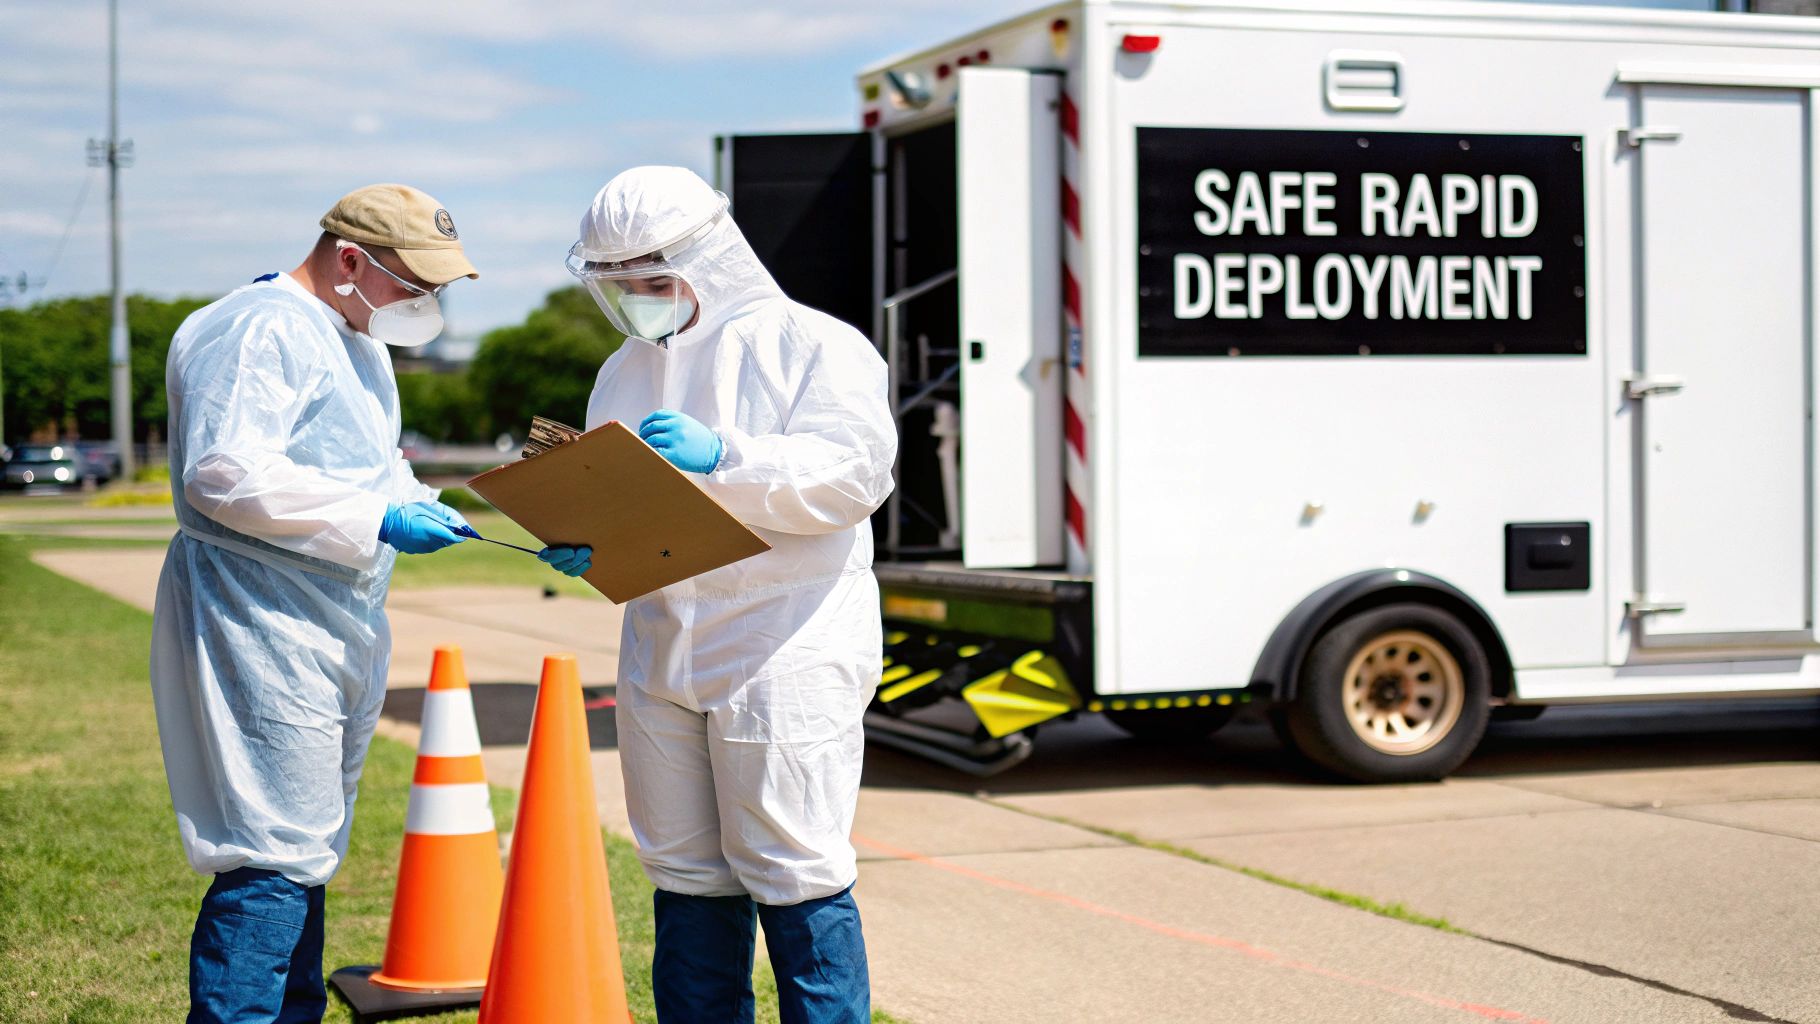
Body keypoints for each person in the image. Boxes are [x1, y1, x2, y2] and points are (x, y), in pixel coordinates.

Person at [545, 165, 896, 1023]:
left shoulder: (813, 344)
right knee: (686, 873)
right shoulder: (621, 372)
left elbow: (855, 477)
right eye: (619, 284)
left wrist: (727, 456)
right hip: (663, 643)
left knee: (795, 868)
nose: (638, 299)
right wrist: (586, 537)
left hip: (784, 644)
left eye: (654, 281)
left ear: (714, 259)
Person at [150, 184, 489, 1023]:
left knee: (305, 850)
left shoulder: (355, 339)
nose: (427, 305)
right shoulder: (257, 326)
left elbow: (370, 467)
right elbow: (223, 471)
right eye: (417, 284)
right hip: (259, 615)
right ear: (350, 261)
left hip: (331, 616)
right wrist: (376, 518)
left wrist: (420, 501)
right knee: (272, 851)